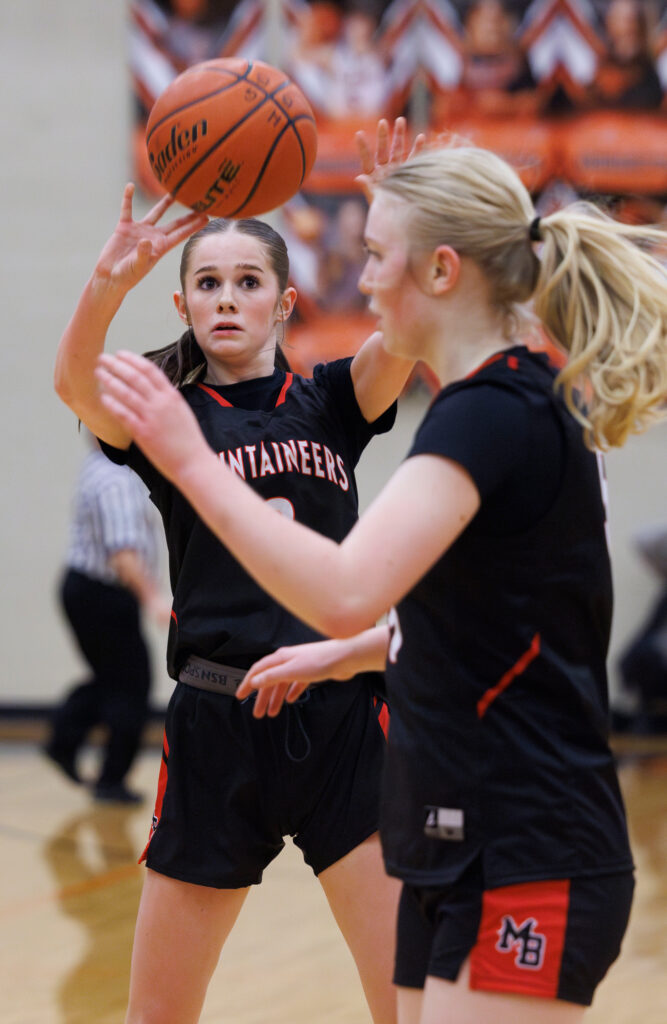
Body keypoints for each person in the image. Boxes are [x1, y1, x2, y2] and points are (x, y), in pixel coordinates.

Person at [94, 137, 666, 1022]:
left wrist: (189, 459)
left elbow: (347, 589)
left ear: (440, 270)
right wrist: (335, 660)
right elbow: (442, 620)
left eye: (373, 256)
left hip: (524, 829)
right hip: (447, 820)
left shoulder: (496, 413)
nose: (360, 283)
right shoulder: (486, 405)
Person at [54, 120, 425, 1023]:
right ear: (183, 307)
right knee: (158, 1015)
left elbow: (411, 331)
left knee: (405, 1008)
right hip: (218, 718)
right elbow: (75, 384)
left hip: (343, 719)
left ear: (283, 303)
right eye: (207, 284)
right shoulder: (165, 409)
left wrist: (403, 215)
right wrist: (110, 281)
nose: (227, 298)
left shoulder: (333, 398)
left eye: (247, 283)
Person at [44, 430, 170, 804]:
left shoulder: (108, 469)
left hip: (89, 591)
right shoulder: (114, 479)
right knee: (132, 685)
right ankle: (109, 779)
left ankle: (64, 740)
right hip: (101, 594)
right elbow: (123, 555)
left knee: (115, 680)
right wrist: (153, 599)